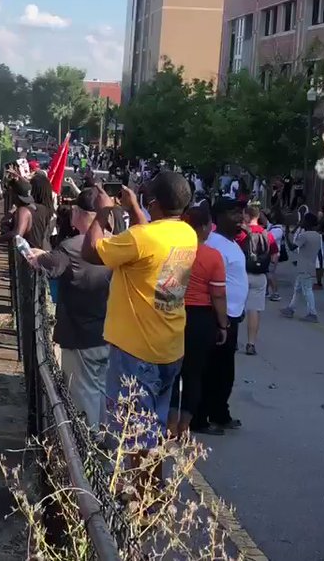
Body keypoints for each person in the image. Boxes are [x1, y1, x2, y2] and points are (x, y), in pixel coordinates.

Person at [81, 172, 196, 444]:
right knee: (152, 432)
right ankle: (152, 487)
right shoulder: (187, 234)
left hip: (137, 352)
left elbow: (91, 252)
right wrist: (133, 207)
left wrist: (102, 212)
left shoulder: (142, 238)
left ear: (154, 203)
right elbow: (145, 241)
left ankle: (136, 487)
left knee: (131, 439)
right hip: (169, 347)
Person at [26, 188, 112, 427]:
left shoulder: (73, 246)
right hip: (111, 331)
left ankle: (89, 444)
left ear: (81, 213)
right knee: (102, 387)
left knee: (83, 391)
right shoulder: (115, 242)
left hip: (81, 333)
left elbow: (49, 265)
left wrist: (37, 257)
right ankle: (105, 438)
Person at [172, 204, 228, 436]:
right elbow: (218, 295)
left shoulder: (175, 251)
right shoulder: (213, 257)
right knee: (194, 373)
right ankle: (185, 424)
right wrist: (223, 325)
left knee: (173, 371)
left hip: (175, 314)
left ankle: (169, 423)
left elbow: (168, 289)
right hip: (201, 318)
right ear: (204, 227)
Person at [194, 197, 248, 435]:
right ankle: (201, 418)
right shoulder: (214, 244)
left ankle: (220, 413)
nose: (240, 218)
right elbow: (213, 286)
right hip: (218, 317)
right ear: (219, 216)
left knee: (225, 371)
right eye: (234, 213)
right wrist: (221, 321)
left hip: (232, 315)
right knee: (211, 371)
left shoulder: (231, 243)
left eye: (241, 213)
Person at [235, 204, 277, 356]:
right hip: (260, 276)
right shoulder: (268, 235)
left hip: (242, 274)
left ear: (246, 216)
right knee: (254, 310)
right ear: (258, 216)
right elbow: (274, 256)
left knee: (236, 308)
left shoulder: (241, 234)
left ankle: (233, 341)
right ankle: (251, 343)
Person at [0, 177, 54, 253]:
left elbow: (17, 234)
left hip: (27, 255)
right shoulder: (46, 209)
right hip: (40, 252)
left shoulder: (24, 210)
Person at [281, 213, 322, 322]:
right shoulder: (317, 236)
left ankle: (312, 313)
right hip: (310, 265)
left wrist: (286, 234)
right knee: (298, 289)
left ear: (308, 222)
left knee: (307, 290)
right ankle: (291, 308)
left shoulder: (304, 236)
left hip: (304, 267)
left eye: (304, 220)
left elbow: (292, 247)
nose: (301, 222)